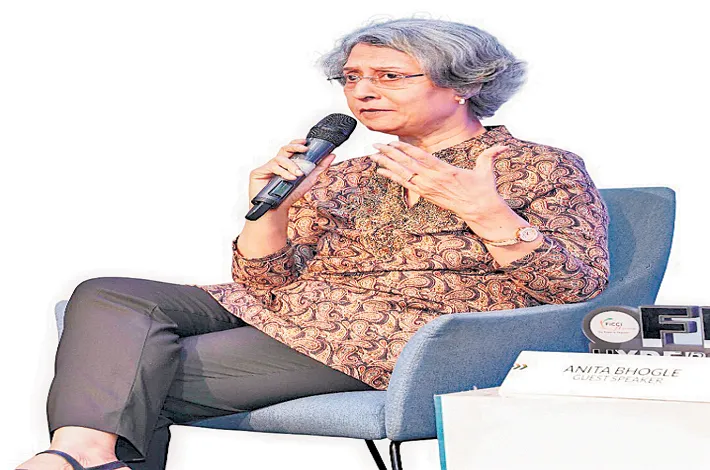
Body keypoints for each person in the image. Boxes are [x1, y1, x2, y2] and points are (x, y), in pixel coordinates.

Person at [16, 17, 609, 470]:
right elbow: (264, 282)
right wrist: (272, 209)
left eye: (388, 76)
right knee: (110, 295)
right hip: (293, 311)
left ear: (464, 85)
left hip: (402, 333)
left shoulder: (538, 166)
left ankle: (73, 457)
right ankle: (85, 454)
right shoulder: (344, 173)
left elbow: (577, 288)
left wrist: (486, 212)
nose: (363, 91)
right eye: (352, 78)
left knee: (127, 374)